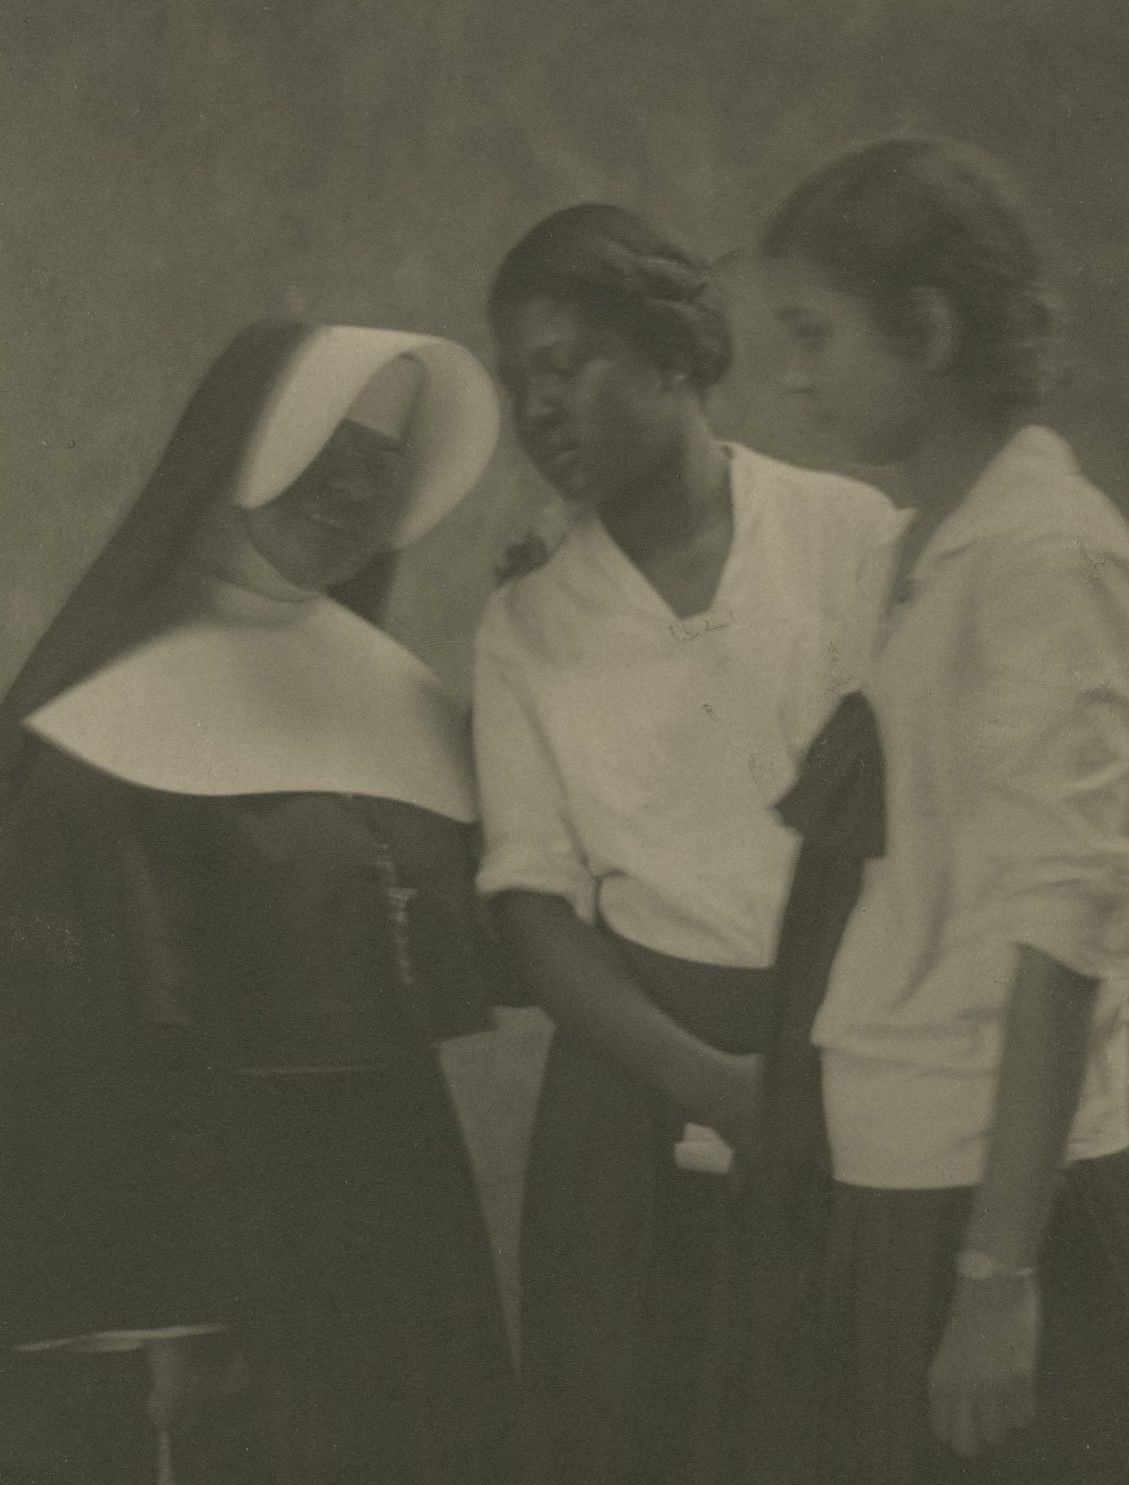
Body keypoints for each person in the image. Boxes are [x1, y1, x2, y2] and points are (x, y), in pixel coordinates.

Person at [0, 320, 517, 1485]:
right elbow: (76, 1051)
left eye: (381, 466)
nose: (349, 492)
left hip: (398, 1185)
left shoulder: (390, 690)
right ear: (239, 454)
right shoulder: (99, 725)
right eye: (321, 451)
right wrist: (171, 1311)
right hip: (221, 1219)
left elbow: (493, 936)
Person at [471, 204, 898, 1484]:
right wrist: (714, 1083)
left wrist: (818, 1085)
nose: (537, 410)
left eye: (565, 365)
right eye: (515, 384)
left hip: (860, 1061)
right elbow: (534, 910)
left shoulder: (849, 539)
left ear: (669, 354)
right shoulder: (527, 625)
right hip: (638, 1089)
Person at [758, 136, 1129, 1484]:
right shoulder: (915, 541)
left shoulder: (1043, 552)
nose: (790, 378)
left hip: (1000, 1186)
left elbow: (1060, 929)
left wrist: (995, 1274)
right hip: (897, 1153)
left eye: (814, 334)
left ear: (925, 326)